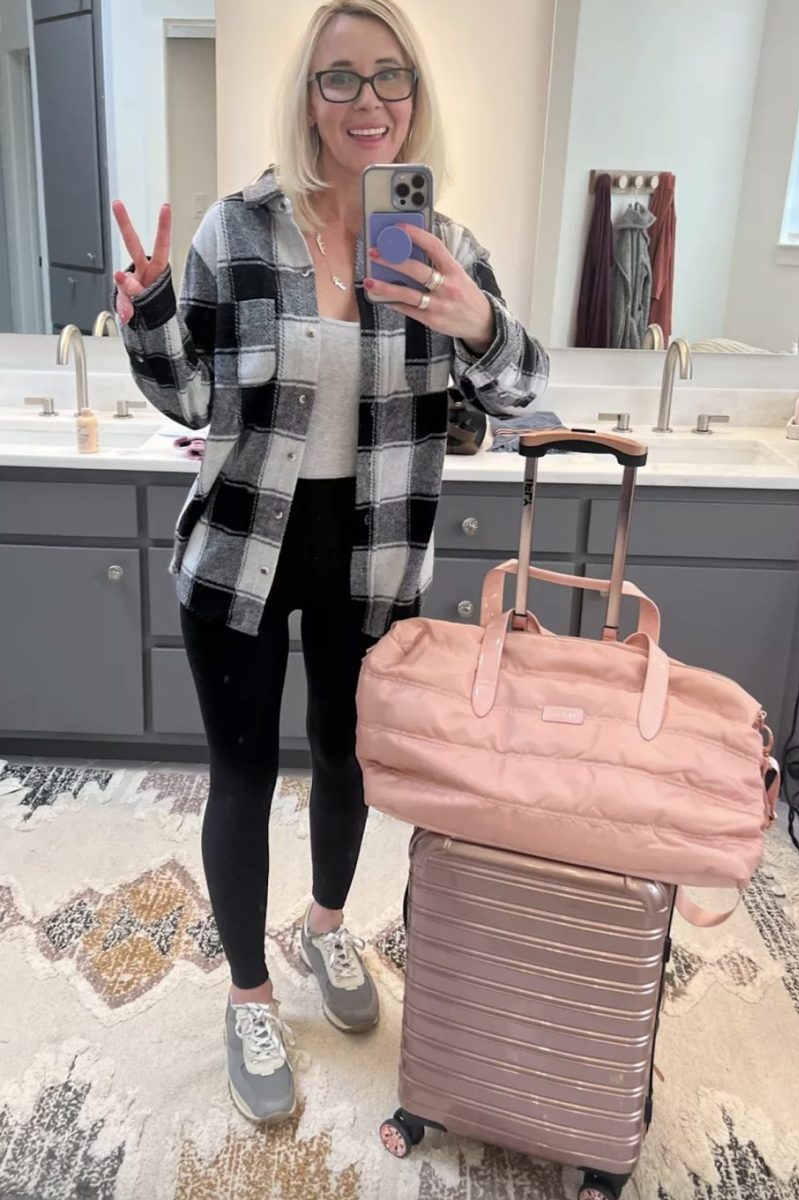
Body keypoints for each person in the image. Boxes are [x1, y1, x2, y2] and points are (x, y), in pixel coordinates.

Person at [111, 0, 549, 1126]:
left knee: (349, 768)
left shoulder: (444, 244)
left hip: (374, 556)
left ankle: (323, 930)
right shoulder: (237, 232)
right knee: (246, 778)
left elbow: (523, 393)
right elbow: (189, 398)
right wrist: (153, 310)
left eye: (388, 78)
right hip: (244, 553)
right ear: (307, 98)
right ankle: (249, 995)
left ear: (414, 93)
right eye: (340, 80)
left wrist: (474, 318)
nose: (368, 103)